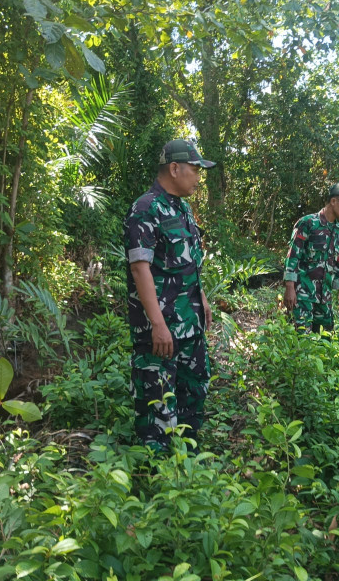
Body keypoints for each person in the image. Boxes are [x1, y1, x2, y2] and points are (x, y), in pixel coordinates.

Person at [125, 139, 215, 452]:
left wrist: (201, 299)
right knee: (157, 409)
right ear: (174, 169)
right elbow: (140, 270)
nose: (198, 176)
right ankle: (158, 479)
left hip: (190, 324)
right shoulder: (145, 208)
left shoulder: (183, 209)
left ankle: (188, 465)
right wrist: (158, 324)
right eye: (194, 169)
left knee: (193, 396)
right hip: (160, 332)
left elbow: (189, 263)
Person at [283, 182, 339, 333]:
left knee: (325, 339)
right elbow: (293, 256)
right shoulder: (307, 223)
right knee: (301, 338)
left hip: (324, 297)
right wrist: (289, 287)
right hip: (302, 295)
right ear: (333, 201)